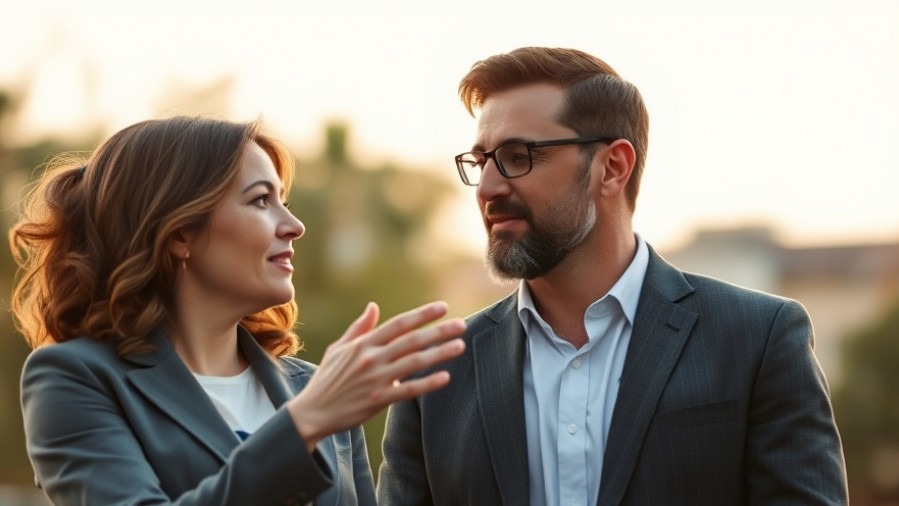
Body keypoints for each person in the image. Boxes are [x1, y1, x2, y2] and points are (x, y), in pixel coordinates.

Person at [377, 47, 848, 505]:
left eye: (517, 155)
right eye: (480, 162)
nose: (487, 187)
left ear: (612, 168)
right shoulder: (433, 377)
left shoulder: (757, 339)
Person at [10, 116, 466, 505]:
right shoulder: (73, 378)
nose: (295, 225)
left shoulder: (312, 385)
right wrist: (303, 424)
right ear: (180, 233)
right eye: (261, 201)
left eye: (283, 201)